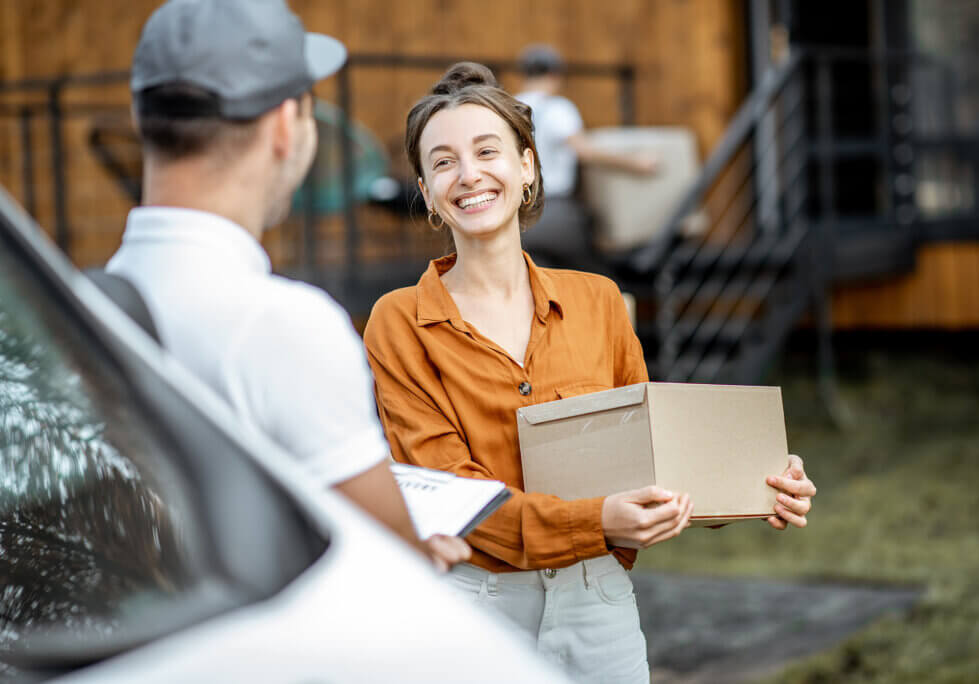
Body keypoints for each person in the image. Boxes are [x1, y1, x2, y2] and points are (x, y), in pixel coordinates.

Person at [363, 62, 817, 683]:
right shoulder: (399, 322)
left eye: (487, 151)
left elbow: (653, 462)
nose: (468, 175)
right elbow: (457, 497)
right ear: (427, 191)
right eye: (443, 162)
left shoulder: (598, 300)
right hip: (478, 609)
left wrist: (754, 486)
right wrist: (599, 520)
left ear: (527, 166)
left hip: (597, 607)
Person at [106, 0, 469, 571]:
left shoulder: (72, 305)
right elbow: (395, 559)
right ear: (284, 125)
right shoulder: (282, 325)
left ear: (140, 118)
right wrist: (425, 552)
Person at [515, 45, 657, 271]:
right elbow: (584, 151)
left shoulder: (511, 106)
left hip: (518, 215)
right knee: (594, 279)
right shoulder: (558, 108)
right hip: (555, 209)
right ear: (555, 74)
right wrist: (634, 162)